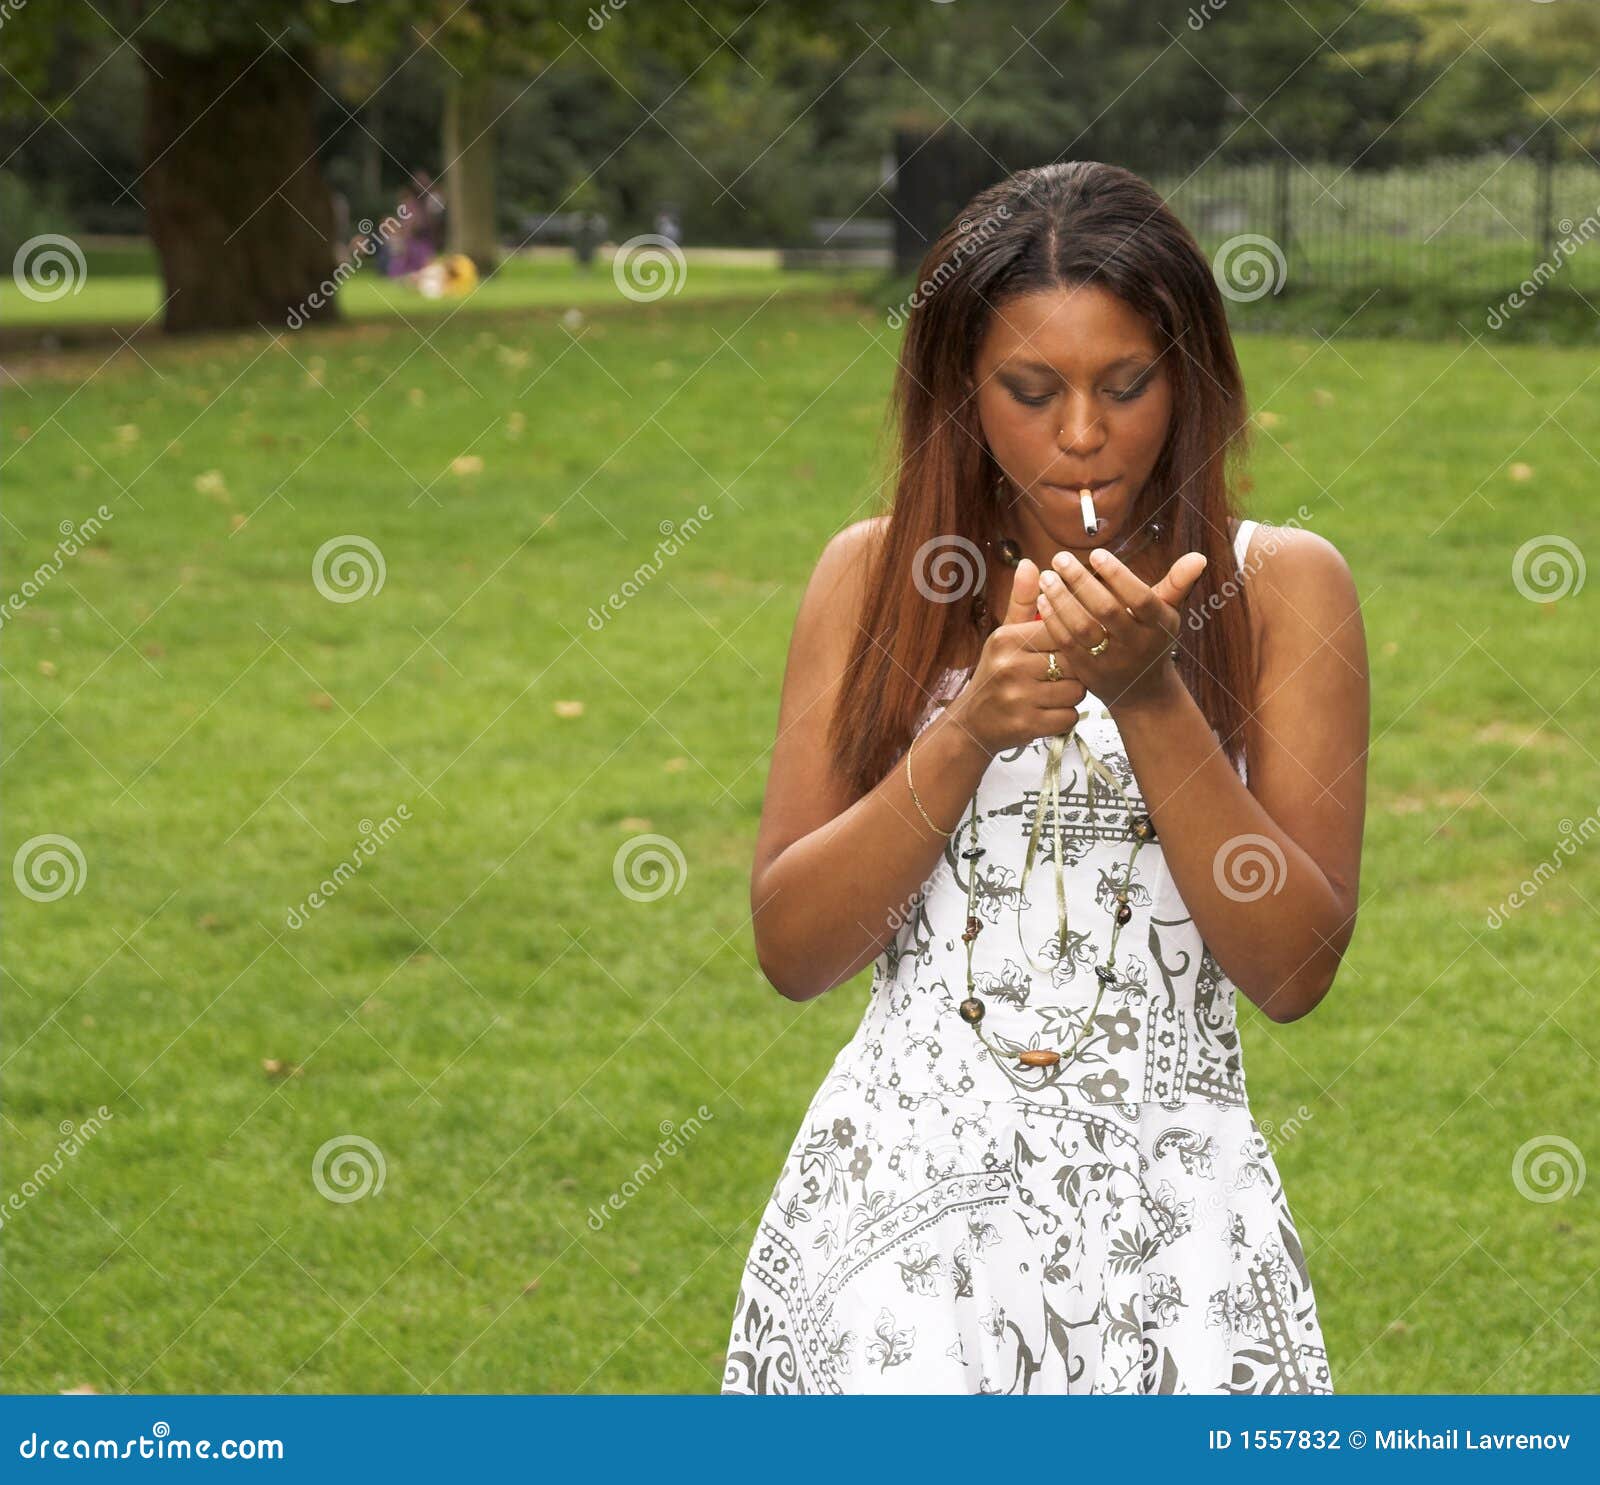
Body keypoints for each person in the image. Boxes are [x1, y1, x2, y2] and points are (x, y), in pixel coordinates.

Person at [721, 160, 1368, 1395]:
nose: (1082, 433)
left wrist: (1148, 694)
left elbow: (1292, 969)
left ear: (1189, 381)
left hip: (1175, 1230)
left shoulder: (1283, 587)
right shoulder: (871, 580)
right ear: (960, 391)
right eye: (1031, 391)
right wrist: (962, 737)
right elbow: (793, 950)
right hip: (899, 1228)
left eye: (1126, 385)